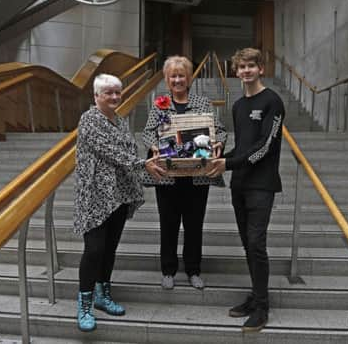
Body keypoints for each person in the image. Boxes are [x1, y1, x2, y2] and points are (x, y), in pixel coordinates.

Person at [74, 73, 166, 332]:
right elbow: (110, 152)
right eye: (108, 93)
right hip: (95, 196)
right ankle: (85, 304)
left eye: (118, 92)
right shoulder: (89, 119)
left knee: (109, 249)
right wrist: (142, 165)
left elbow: (129, 150)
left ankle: (103, 295)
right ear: (96, 96)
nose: (115, 97)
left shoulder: (121, 120)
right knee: (94, 250)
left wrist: (146, 159)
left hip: (120, 194)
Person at [207, 48, 285, 333]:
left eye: (251, 66)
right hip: (239, 184)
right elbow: (242, 148)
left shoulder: (272, 102)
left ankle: (262, 306)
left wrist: (226, 163)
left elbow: (264, 147)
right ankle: (256, 295)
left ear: (260, 69)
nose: (246, 71)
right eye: (241, 67)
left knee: (256, 243)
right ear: (236, 71)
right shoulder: (239, 105)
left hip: (262, 185)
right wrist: (219, 157)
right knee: (247, 244)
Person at [142, 55, 227, 290]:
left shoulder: (202, 103)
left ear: (189, 78)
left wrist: (219, 142)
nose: (177, 80)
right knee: (168, 224)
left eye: (181, 75)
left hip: (197, 175)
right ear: (167, 80)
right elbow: (148, 132)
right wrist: (154, 145)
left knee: (194, 224)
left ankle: (193, 270)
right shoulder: (160, 104)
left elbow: (218, 130)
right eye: (173, 76)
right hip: (167, 176)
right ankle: (168, 270)